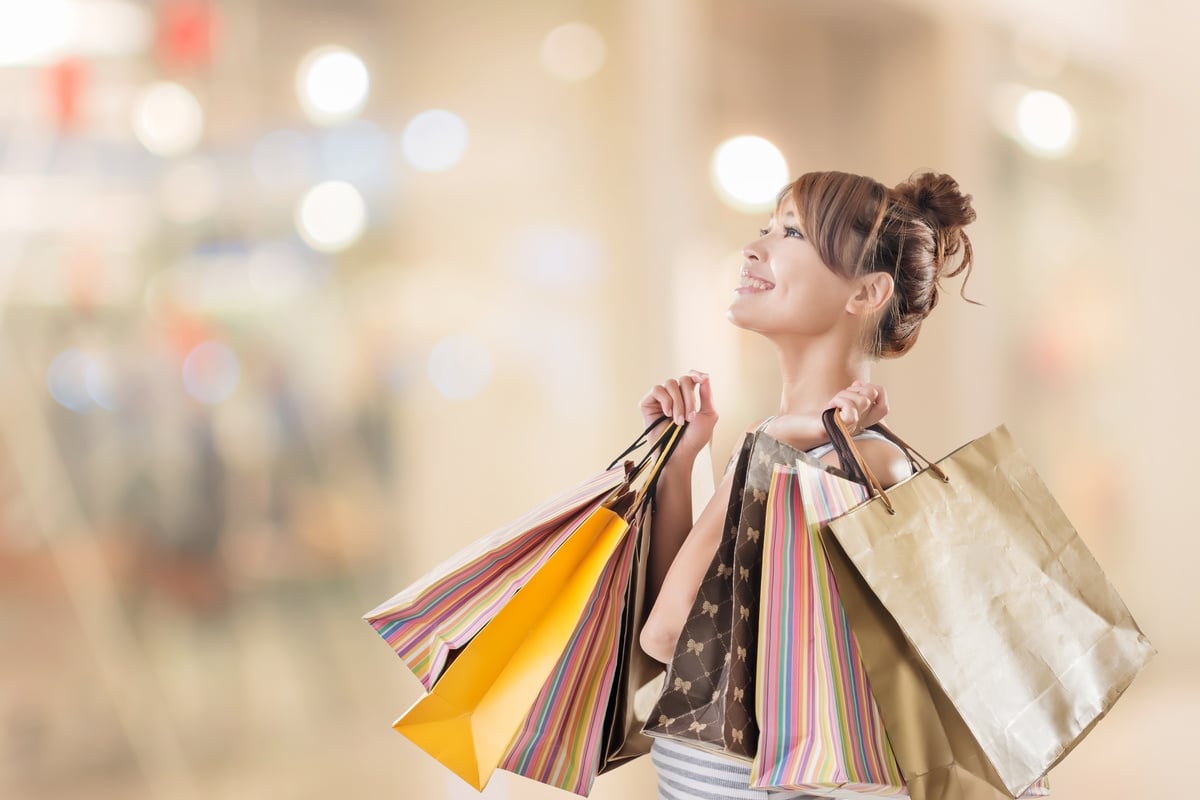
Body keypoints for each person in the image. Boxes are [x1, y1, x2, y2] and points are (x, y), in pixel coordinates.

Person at [636, 169, 977, 800]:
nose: (756, 247)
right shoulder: (783, 445)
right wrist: (683, 463)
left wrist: (754, 453)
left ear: (866, 292)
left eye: (792, 231)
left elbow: (670, 633)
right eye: (765, 227)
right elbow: (691, 633)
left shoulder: (861, 467)